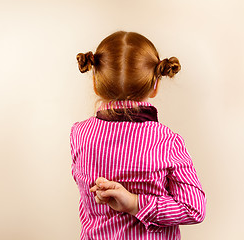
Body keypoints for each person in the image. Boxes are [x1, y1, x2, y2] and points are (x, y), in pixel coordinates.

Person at [70, 31, 206, 240]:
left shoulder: (79, 134)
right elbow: (194, 209)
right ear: (155, 85)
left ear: (96, 82)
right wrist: (135, 203)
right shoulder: (167, 141)